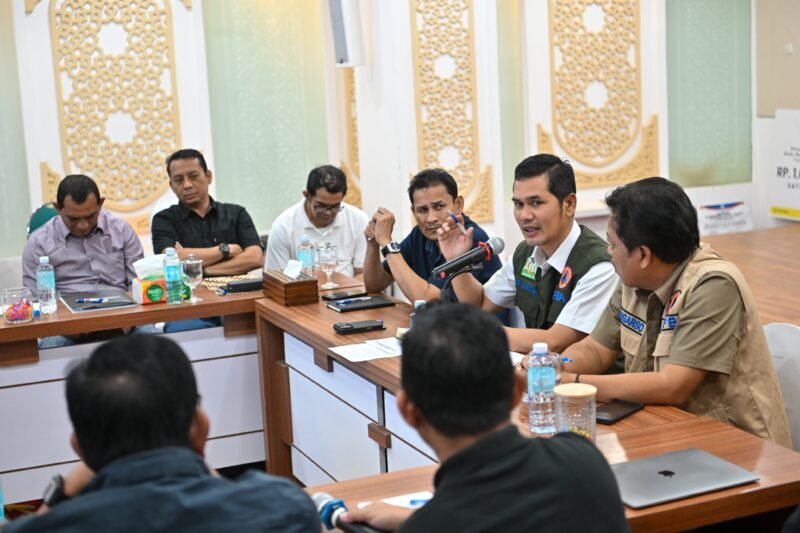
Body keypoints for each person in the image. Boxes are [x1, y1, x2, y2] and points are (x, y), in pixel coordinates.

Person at [341, 303, 628, 532]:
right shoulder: (585, 459)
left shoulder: (431, 525)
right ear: (518, 391)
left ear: (407, 410)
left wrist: (417, 521)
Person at [560, 177, 792, 447]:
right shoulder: (632, 280)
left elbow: (673, 386)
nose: (609, 252)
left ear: (643, 255)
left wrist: (574, 383)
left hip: (738, 446)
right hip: (666, 430)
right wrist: (556, 367)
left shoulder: (713, 284)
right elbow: (595, 349)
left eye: (612, 244)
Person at [1, 335, 318, 532]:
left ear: (79, 447)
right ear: (201, 427)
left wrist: (64, 489)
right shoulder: (284, 510)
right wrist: (196, 456)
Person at [437, 154, 617, 353]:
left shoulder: (599, 265)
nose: (524, 215)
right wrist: (457, 260)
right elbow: (480, 305)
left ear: (569, 204)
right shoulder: (526, 253)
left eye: (536, 203)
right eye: (518, 204)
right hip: (536, 367)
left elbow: (556, 341)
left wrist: (474, 330)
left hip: (581, 373)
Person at [362, 168, 501, 302]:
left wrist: (387, 243)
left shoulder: (469, 239)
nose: (431, 218)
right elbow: (375, 285)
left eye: (439, 206)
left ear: (458, 205)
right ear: (413, 211)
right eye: (422, 210)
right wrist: (373, 241)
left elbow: (428, 300)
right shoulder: (419, 235)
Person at [151, 148, 264, 277]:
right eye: (179, 180)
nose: (187, 185)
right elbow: (171, 259)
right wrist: (226, 250)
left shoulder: (236, 214)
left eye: (193, 176)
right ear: (171, 186)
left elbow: (255, 258)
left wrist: (203, 270)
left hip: (236, 289)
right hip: (188, 290)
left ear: (208, 177)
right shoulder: (164, 219)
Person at [22, 174, 143, 293]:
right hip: (66, 304)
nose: (83, 225)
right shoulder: (39, 243)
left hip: (120, 303)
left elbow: (139, 283)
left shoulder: (121, 230)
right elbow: (35, 296)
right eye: (73, 219)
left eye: (90, 216)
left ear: (100, 204)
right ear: (58, 208)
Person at [265, 165, 369, 277]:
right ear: (307, 195)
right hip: (302, 287)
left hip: (350, 287)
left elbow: (363, 274)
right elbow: (276, 279)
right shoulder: (283, 227)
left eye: (335, 206)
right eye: (321, 206)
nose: (328, 212)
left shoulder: (358, 220)